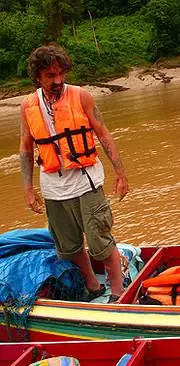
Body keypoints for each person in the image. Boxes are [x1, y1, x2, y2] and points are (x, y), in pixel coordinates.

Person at [19, 44, 129, 303]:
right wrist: (27, 188)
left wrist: (120, 173)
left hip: (86, 181)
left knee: (100, 241)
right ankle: (92, 285)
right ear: (38, 77)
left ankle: (118, 292)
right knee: (69, 246)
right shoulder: (27, 105)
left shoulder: (81, 96)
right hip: (53, 187)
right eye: (50, 76)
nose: (58, 81)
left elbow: (103, 134)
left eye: (61, 74)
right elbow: (25, 148)